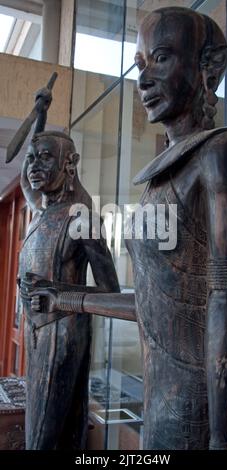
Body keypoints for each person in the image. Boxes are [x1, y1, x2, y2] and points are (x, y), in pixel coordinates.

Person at [29, 7, 227, 450]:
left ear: (208, 65)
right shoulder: (161, 176)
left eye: (161, 58)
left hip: (190, 394)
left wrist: (222, 434)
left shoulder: (216, 151)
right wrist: (64, 297)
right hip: (157, 387)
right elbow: (149, 306)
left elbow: (224, 295)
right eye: (140, 65)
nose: (143, 81)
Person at [19, 94, 119, 449]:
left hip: (63, 335)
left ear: (69, 165)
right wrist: (41, 118)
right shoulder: (41, 211)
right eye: (32, 158)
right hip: (37, 332)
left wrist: (61, 295)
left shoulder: (81, 217)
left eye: (46, 157)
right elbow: (24, 180)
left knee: (43, 437)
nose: (34, 166)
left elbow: (111, 292)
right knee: (40, 431)